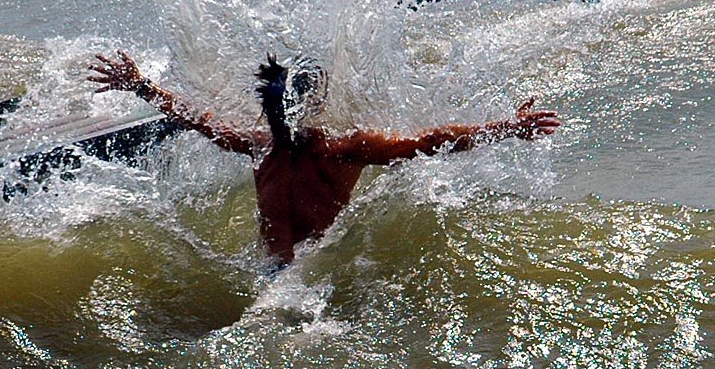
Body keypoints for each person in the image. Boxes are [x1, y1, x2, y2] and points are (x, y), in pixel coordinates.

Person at [89, 50, 560, 267]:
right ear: (313, 104)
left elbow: (430, 140)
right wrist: (142, 86)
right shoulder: (308, 148)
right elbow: (429, 140)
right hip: (301, 276)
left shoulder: (305, 147)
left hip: (298, 275)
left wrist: (505, 129)